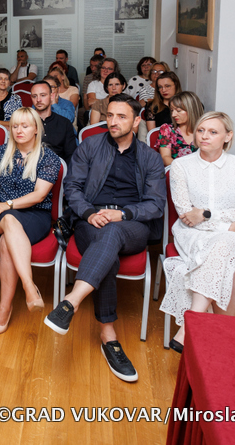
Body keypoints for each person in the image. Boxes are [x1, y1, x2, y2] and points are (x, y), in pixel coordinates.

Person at [45, 95, 165, 383]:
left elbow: (155, 204)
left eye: (121, 116)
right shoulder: (90, 146)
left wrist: (122, 214)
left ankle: (71, 301)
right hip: (90, 220)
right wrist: (89, 213)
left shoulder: (149, 157)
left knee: (111, 232)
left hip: (132, 224)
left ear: (136, 121)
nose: (113, 121)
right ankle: (108, 336)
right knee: (106, 247)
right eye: (110, 115)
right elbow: (72, 187)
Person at [159, 112, 235, 353]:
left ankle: (191, 323)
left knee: (223, 246)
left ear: (228, 136)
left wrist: (205, 214)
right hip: (194, 235)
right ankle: (219, 342)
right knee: (229, 271)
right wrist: (226, 225)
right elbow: (186, 214)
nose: (204, 136)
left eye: (213, 132)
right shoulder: (181, 166)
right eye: (201, 130)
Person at [0, 107, 62, 334]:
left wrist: (5, 205)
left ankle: (4, 307)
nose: (19, 130)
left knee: (6, 241)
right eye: (15, 126)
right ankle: (29, 287)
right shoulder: (1, 151)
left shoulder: (49, 157)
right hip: (1, 214)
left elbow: (39, 196)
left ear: (36, 129)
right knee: (9, 221)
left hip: (35, 215)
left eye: (25, 126)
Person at [31, 81, 77, 165]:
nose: (38, 100)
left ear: (51, 96)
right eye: (34, 96)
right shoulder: (25, 122)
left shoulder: (64, 123)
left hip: (59, 168)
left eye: (43, 95)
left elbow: (71, 156)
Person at [158, 91, 204, 166]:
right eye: (172, 110)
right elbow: (165, 157)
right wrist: (183, 170)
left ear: (191, 110)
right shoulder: (167, 129)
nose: (173, 115)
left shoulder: (205, 130)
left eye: (178, 110)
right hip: (176, 170)